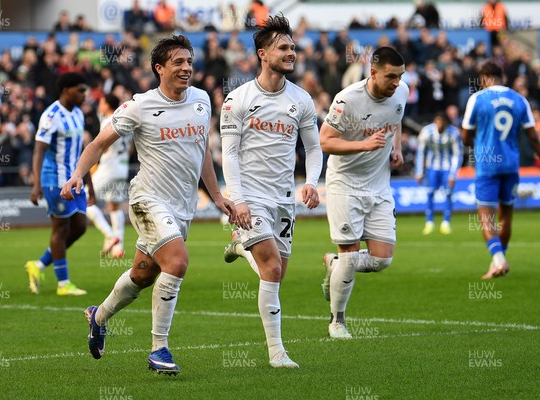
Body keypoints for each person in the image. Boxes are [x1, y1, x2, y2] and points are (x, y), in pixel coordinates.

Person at [60, 35, 235, 375]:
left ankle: (98, 317)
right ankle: (159, 349)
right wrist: (77, 175)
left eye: (189, 61)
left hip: (182, 206)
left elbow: (202, 155)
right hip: (147, 200)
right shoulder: (138, 106)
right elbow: (97, 144)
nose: (187, 68)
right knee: (178, 262)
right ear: (160, 69)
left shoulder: (201, 101)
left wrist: (217, 196)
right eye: (178, 63)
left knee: (143, 274)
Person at [221, 14, 323, 368]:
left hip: (284, 198)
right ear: (263, 54)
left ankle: (239, 246)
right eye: (284, 48)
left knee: (275, 272)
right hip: (251, 197)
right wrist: (238, 200)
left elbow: (313, 148)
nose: (291, 52)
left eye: (293, 47)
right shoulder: (238, 99)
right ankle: (277, 352)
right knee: (273, 269)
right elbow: (229, 154)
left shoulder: (302, 100)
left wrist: (311, 181)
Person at [319, 46, 407, 339]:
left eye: (400, 76)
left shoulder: (401, 93)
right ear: (373, 72)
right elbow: (326, 142)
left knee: (383, 259)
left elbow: (396, 121)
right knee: (350, 253)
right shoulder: (347, 100)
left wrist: (396, 149)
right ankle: (337, 321)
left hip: (380, 185)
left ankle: (334, 264)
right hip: (345, 184)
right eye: (391, 76)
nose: (396, 83)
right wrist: (363, 145)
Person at [462, 61, 540, 279]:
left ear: (482, 79)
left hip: (487, 165)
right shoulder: (520, 100)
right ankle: (498, 261)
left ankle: (499, 260)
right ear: (503, 78)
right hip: (511, 164)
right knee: (506, 215)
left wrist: (480, 144)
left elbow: (465, 136)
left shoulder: (477, 99)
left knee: (486, 216)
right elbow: (533, 138)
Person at [25, 72, 94, 296]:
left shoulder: (78, 114)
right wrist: (36, 184)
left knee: (80, 227)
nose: (85, 94)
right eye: (80, 90)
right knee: (61, 228)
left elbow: (83, 151)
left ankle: (39, 264)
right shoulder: (51, 116)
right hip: (54, 179)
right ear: (66, 90)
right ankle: (63, 284)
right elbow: (38, 150)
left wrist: (89, 182)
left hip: (76, 180)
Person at [85, 94, 130, 258]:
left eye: (101, 102)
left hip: (109, 166)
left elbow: (101, 146)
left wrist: (92, 167)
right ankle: (118, 249)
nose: (100, 105)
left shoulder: (107, 121)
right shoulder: (126, 121)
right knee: (114, 205)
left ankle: (110, 235)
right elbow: (131, 147)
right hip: (122, 167)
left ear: (107, 105)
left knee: (84, 200)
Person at [415, 113, 463, 235]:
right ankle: (429, 223)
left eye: (442, 122)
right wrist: (419, 172)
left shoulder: (454, 133)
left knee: (448, 194)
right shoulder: (427, 132)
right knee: (430, 194)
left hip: (447, 168)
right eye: (437, 121)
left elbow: (458, 154)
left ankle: (446, 223)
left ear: (446, 123)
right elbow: (421, 152)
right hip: (432, 168)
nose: (439, 124)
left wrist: (453, 174)